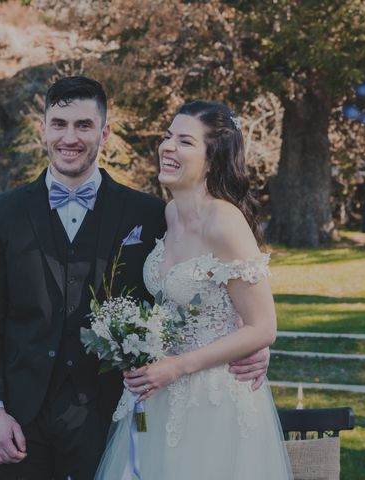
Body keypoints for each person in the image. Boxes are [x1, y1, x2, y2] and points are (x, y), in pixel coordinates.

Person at [0, 76, 270, 479]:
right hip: (20, 422)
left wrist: (250, 345)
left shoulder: (147, 214)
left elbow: (229, 290)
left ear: (105, 132)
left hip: (110, 416)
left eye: (84, 125)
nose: (69, 137)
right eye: (59, 124)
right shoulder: (2, 213)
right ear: (43, 130)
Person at [95, 101, 292, 479]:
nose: (167, 147)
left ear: (213, 159)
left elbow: (263, 327)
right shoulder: (168, 215)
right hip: (159, 394)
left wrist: (177, 367)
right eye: (168, 137)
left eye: (184, 141)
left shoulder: (225, 222)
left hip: (212, 399)